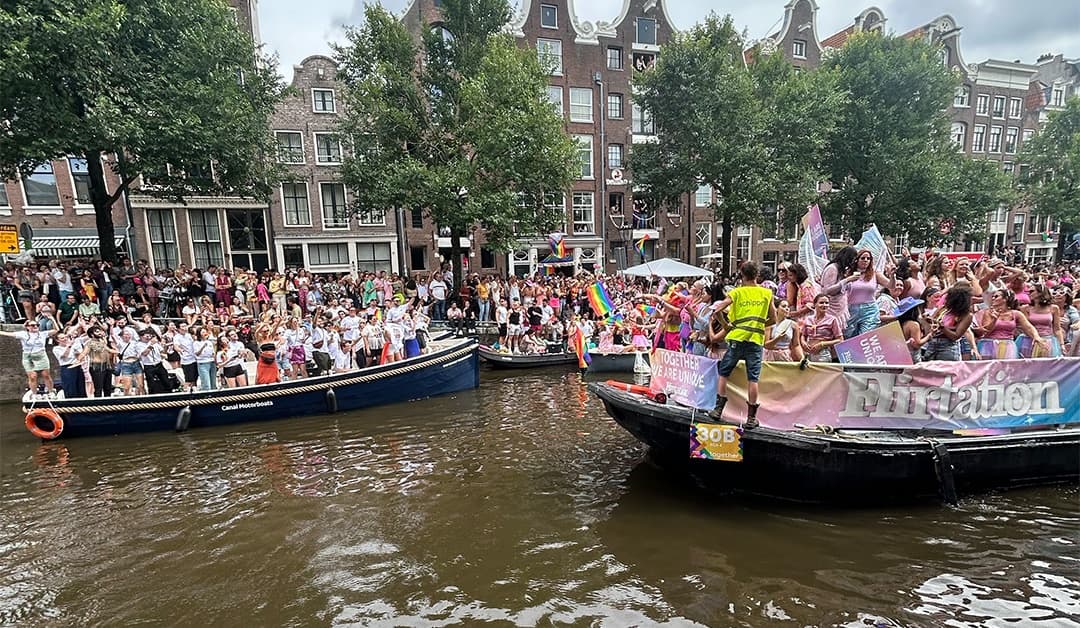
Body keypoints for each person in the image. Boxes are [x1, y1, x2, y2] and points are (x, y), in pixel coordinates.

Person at [708, 262, 775, 429]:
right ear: (757, 274)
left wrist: (726, 325)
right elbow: (773, 319)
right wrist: (757, 323)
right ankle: (751, 418)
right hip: (755, 339)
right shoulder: (766, 293)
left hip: (737, 339)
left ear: (742, 275)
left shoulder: (736, 292)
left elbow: (717, 311)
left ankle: (718, 409)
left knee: (724, 372)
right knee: (753, 378)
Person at [2, 317, 59, 395]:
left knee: (46, 375)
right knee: (33, 376)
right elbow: (9, 334)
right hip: (28, 356)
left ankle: (51, 391)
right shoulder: (23, 334)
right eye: (33, 325)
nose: (35, 326)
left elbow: (56, 330)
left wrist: (53, 319)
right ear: (27, 327)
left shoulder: (43, 334)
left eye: (37, 325)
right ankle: (34, 394)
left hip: (41, 355)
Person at [922, 284, 974, 362]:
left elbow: (956, 336)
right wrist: (927, 319)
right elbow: (932, 323)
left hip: (948, 347)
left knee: (946, 372)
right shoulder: (943, 309)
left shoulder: (967, 315)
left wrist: (942, 328)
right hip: (932, 344)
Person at [801, 294, 843, 363]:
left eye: (827, 303)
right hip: (808, 353)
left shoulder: (832, 320)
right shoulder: (808, 319)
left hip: (823, 353)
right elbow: (803, 335)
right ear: (815, 304)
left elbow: (840, 340)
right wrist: (803, 342)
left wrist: (822, 344)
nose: (824, 305)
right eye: (821, 303)